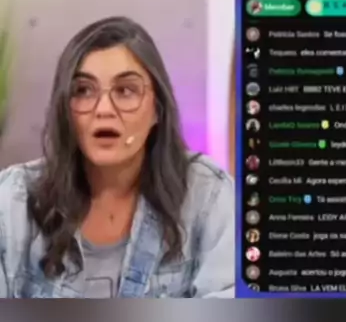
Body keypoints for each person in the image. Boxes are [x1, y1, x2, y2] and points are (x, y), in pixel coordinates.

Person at [0, 16, 234, 298]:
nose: (104, 110)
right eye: (83, 90)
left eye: (125, 90)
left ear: (157, 109)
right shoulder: (12, 202)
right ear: (64, 109)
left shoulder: (209, 195)